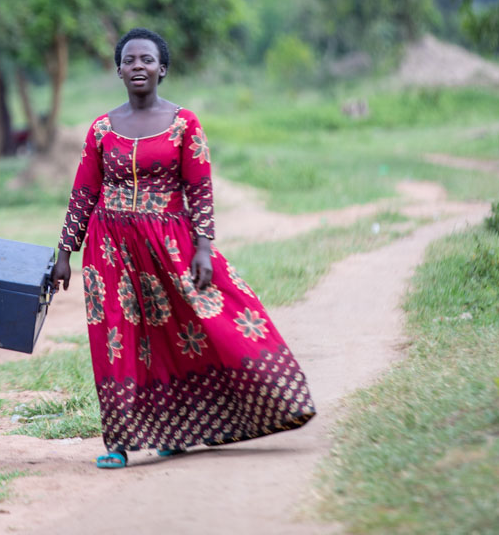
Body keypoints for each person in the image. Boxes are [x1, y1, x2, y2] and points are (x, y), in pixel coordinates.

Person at [50, 27, 315, 468]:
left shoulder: (184, 123)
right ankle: (118, 442)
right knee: (117, 336)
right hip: (109, 249)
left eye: (147, 60)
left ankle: (186, 427)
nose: (138, 66)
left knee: (186, 327)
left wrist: (204, 249)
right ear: (118, 70)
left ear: (163, 69)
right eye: (130, 60)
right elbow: (83, 192)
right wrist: (64, 253)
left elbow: (200, 189)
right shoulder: (100, 129)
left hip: (170, 244)